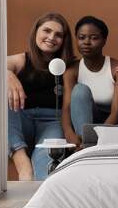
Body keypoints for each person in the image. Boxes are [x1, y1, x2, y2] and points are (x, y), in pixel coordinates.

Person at [7, 12, 75, 180]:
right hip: (20, 121)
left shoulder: (71, 66)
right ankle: (23, 165)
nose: (51, 37)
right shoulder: (21, 60)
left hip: (52, 122)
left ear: (63, 41)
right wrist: (7, 74)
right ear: (36, 32)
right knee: (0, 91)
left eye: (58, 35)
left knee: (46, 169)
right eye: (47, 30)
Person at [62, 16, 118, 148]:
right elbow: (67, 108)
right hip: (83, 125)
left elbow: (116, 111)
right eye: (81, 37)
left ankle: (87, 147)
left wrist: (98, 138)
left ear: (104, 41)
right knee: (80, 91)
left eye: (94, 38)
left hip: (112, 124)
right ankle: (85, 146)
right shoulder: (71, 70)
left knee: (81, 91)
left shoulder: (117, 68)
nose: (86, 42)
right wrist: (69, 134)